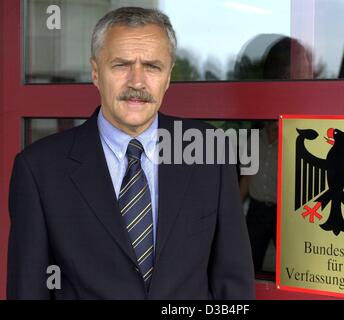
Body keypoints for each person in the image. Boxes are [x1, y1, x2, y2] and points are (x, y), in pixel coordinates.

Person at [7, 7, 255, 300]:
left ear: (168, 76)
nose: (137, 82)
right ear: (96, 72)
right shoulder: (39, 170)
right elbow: (28, 289)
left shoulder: (209, 152)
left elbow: (233, 281)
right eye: (121, 65)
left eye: (152, 66)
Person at [240, 121, 278, 274]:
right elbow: (247, 178)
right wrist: (233, 210)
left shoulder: (290, 139)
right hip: (257, 210)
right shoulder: (254, 140)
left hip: (282, 212)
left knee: (288, 261)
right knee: (250, 260)